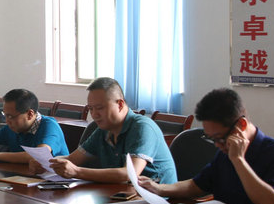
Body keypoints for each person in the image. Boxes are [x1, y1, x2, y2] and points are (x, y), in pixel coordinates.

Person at [138, 88, 274, 204]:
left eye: (220, 138)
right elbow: (196, 185)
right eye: (211, 139)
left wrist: (239, 160)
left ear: (241, 124)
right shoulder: (224, 152)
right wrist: (159, 189)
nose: (217, 145)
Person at [34, 77, 177, 184]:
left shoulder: (142, 127)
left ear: (120, 104)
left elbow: (129, 174)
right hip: (122, 196)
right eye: (91, 109)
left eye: (100, 108)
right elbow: (73, 160)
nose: (94, 114)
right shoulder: (103, 129)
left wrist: (77, 172)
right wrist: (46, 162)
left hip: (158, 202)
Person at [0, 88, 69, 163]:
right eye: (5, 115)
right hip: (23, 177)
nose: (7, 121)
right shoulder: (13, 127)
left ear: (30, 114)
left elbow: (38, 155)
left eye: (10, 116)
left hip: (54, 181)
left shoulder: (49, 126)